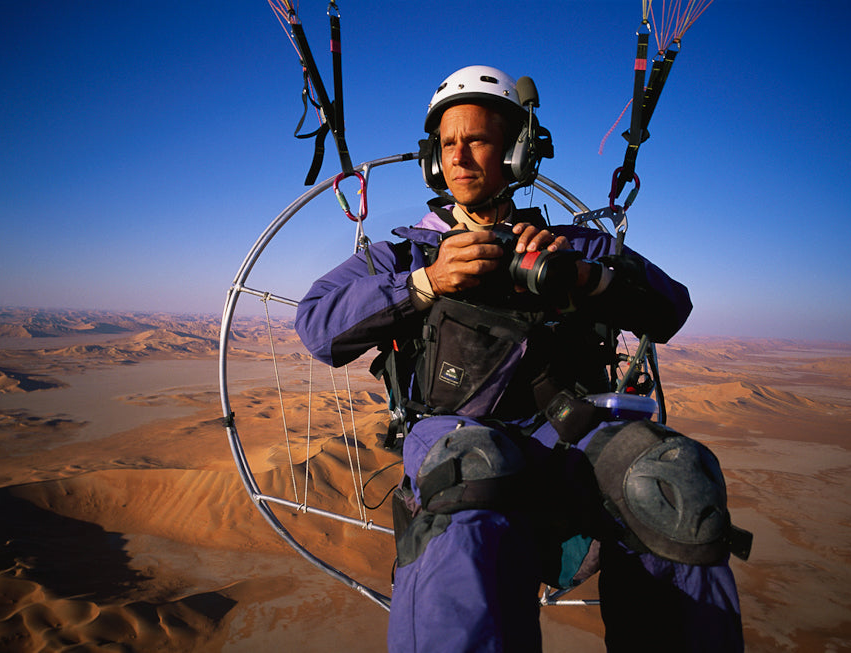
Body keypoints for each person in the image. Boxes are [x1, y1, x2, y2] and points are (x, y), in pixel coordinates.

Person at [296, 65, 746, 652]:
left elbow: (671, 308)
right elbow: (317, 326)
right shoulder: (405, 255)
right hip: (453, 429)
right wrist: (425, 284)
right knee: (469, 474)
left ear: (516, 151)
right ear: (432, 159)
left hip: (570, 433)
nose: (458, 157)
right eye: (447, 144)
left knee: (669, 482)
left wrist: (587, 278)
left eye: (476, 140)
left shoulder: (578, 247)